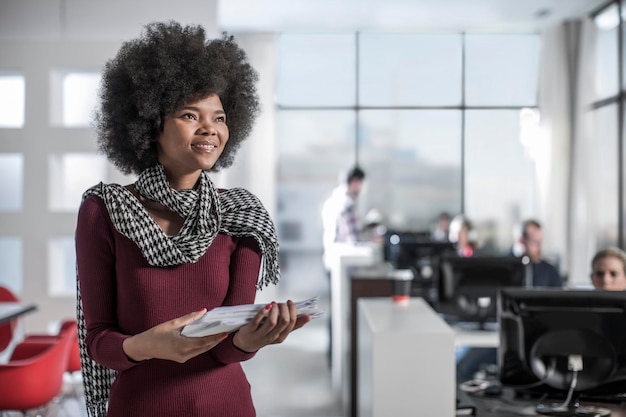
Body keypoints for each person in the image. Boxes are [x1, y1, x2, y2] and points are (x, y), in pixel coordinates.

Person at [75, 21, 310, 417]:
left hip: (225, 405)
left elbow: (227, 347)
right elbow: (98, 340)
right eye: (190, 114)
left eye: (219, 118)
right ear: (151, 125)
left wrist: (253, 339)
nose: (210, 130)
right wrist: (148, 345)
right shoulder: (104, 209)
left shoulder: (242, 215)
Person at [516, 219, 562, 287]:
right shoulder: (510, 270)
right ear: (521, 241)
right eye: (534, 243)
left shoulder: (550, 272)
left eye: (540, 243)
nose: (538, 248)